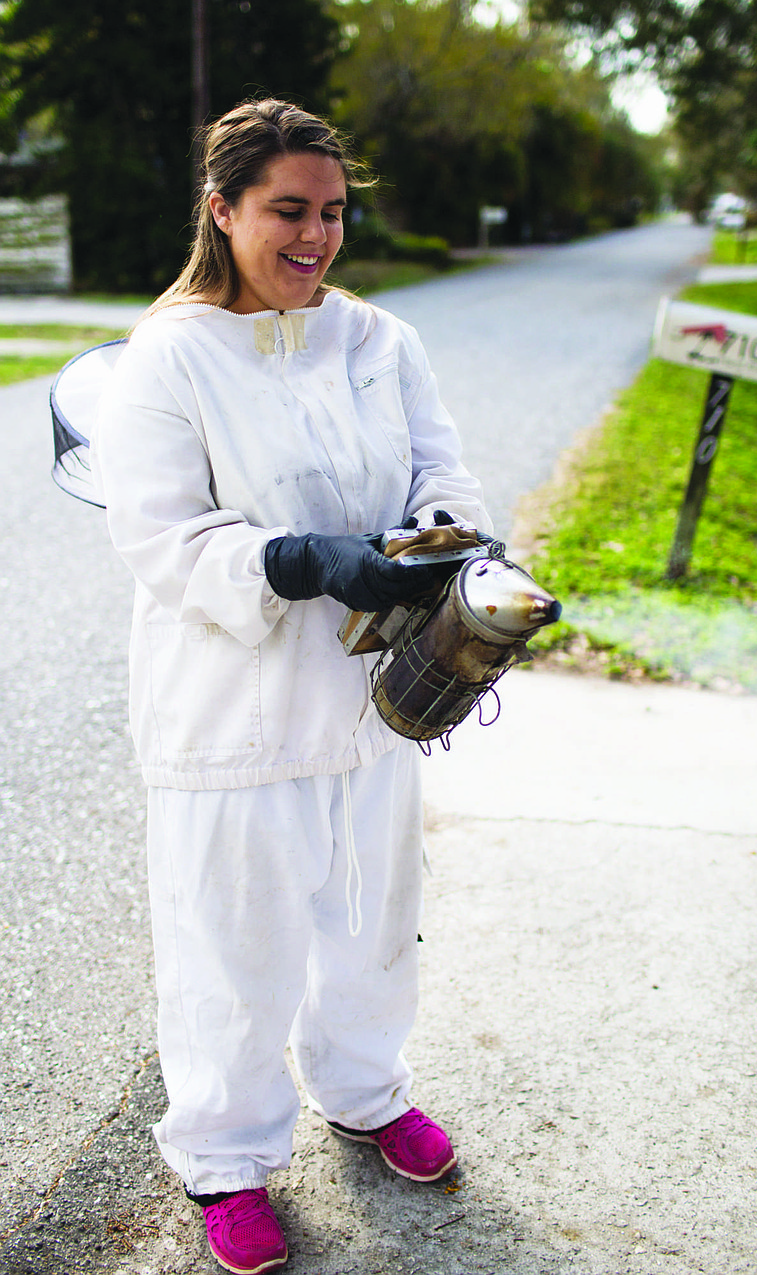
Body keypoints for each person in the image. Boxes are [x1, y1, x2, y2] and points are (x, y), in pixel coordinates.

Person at [90, 98, 492, 1275]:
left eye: (331, 212)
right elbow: (159, 539)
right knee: (232, 944)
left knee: (370, 924)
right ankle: (223, 1156)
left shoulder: (377, 340)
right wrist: (297, 558)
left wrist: (438, 539)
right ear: (222, 209)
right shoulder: (167, 355)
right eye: (287, 211)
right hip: (231, 713)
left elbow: (442, 468)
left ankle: (366, 1093)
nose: (315, 237)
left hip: (372, 701)